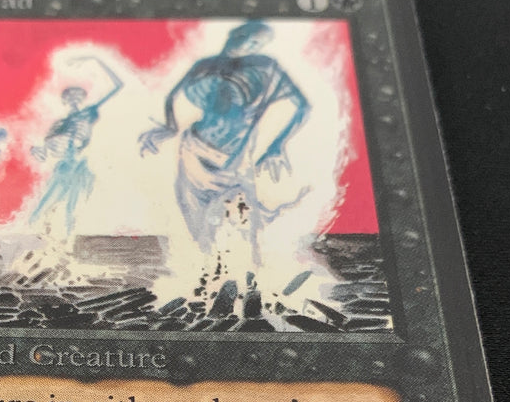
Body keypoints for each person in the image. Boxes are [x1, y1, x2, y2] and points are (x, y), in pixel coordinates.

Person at [138, 21, 310, 255]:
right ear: (235, 32)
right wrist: (170, 127)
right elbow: (172, 95)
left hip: (234, 160)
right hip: (194, 151)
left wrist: (277, 147)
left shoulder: (266, 66)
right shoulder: (204, 65)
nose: (248, 44)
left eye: (257, 43)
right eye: (246, 36)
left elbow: (302, 106)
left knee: (240, 227)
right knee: (198, 228)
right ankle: (205, 272)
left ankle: (245, 273)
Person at [30, 56, 123, 234]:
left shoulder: (88, 113)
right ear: (65, 101)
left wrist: (96, 59)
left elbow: (118, 86)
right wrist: (39, 151)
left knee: (73, 204)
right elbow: (47, 149)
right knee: (47, 200)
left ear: (82, 98)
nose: (73, 99)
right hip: (64, 164)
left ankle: (66, 234)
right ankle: (39, 228)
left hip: (79, 164)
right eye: (69, 97)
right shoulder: (60, 124)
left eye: (77, 96)